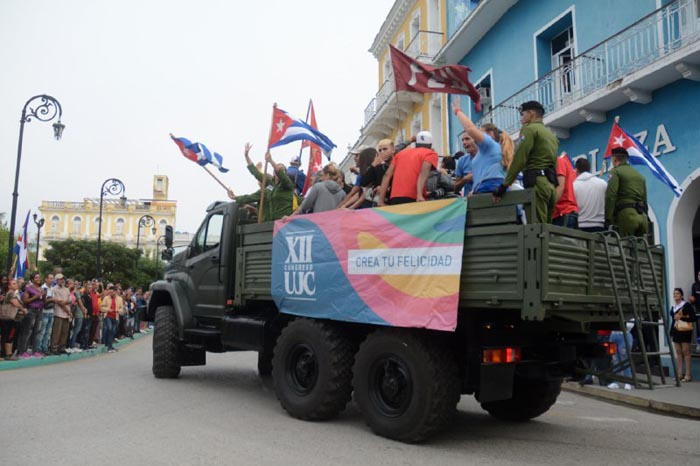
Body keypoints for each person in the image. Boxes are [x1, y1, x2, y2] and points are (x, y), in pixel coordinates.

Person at [493, 100, 559, 224]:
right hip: (550, 185)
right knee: (547, 228)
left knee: (536, 228)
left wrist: (504, 185)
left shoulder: (529, 129)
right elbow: (554, 163)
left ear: (531, 113)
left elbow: (520, 158)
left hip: (537, 183)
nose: (521, 119)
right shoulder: (550, 134)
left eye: (522, 115)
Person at [228, 143, 295, 222]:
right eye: (275, 169)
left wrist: (271, 161)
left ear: (285, 173)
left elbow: (283, 177)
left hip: (284, 222)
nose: (278, 171)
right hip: (272, 223)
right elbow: (256, 173)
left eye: (281, 169)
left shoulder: (287, 185)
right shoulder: (270, 185)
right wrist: (246, 156)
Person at [452, 98, 506, 195]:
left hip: (490, 188)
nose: (478, 135)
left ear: (489, 134)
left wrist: (458, 111)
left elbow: (470, 128)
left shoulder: (490, 145)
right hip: (482, 189)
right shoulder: (483, 153)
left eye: (480, 132)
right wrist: (474, 190)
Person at [377, 131, 439, 206]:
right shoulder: (430, 153)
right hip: (413, 196)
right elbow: (423, 173)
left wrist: (381, 201)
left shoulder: (401, 153)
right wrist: (419, 195)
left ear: (416, 144)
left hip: (395, 197)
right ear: (430, 145)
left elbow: (387, 175)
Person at [605, 147, 648, 237]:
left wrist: (608, 218)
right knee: (641, 249)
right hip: (642, 218)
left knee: (625, 248)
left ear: (614, 159)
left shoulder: (615, 172)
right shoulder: (640, 176)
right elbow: (645, 200)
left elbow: (611, 195)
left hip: (627, 217)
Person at [573, 158, 607, 232]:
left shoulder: (573, 186)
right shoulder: (602, 183)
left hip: (581, 225)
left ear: (577, 170)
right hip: (600, 226)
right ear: (589, 169)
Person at [670, 288, 695, 382]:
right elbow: (673, 320)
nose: (675, 295)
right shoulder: (673, 306)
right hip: (676, 330)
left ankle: (688, 375)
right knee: (678, 352)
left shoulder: (686, 305)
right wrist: (671, 331)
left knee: (686, 351)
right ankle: (680, 373)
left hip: (685, 330)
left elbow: (693, 318)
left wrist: (681, 318)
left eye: (677, 293)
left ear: (681, 295)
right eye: (674, 293)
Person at [18, 272, 44, 358]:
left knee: (37, 332)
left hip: (40, 311)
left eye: (39, 277)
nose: (38, 279)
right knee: (28, 331)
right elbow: (25, 301)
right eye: (36, 278)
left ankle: (35, 351)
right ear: (32, 279)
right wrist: (35, 297)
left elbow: (43, 300)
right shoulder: (29, 289)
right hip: (31, 311)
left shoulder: (41, 289)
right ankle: (22, 351)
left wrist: (43, 296)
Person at [1, 278, 26, 361]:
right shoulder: (11, 293)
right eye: (13, 284)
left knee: (8, 336)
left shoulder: (11, 293)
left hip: (8, 319)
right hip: (9, 318)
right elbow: (15, 303)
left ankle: (7, 354)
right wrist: (23, 309)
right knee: (8, 336)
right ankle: (8, 354)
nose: (16, 285)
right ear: (9, 286)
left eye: (16, 283)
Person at [552, 153, 579, 228]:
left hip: (562, 213)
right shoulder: (564, 164)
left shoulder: (558, 162)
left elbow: (560, 187)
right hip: (568, 213)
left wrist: (548, 207)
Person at [49, 273, 73, 355]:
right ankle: (54, 348)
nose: (62, 280)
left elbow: (70, 300)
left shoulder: (66, 289)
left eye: (63, 279)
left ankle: (62, 347)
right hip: (58, 313)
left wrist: (65, 303)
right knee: (57, 332)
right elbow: (59, 302)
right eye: (60, 279)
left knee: (64, 332)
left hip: (66, 314)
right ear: (56, 280)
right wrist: (68, 311)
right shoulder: (54, 289)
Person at [101, 283, 123, 353]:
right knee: (110, 329)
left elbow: (121, 309)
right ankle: (109, 346)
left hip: (115, 317)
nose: (111, 292)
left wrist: (118, 310)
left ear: (116, 292)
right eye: (110, 291)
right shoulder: (106, 298)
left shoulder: (120, 299)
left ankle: (109, 346)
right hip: (108, 316)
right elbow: (101, 307)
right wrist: (108, 309)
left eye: (113, 291)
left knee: (113, 332)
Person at [35, 273, 54, 354]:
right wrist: (51, 299)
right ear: (46, 279)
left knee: (48, 332)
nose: (52, 280)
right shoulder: (43, 288)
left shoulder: (52, 289)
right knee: (42, 331)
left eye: (52, 278)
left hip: (51, 312)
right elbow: (43, 301)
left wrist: (52, 299)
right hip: (44, 312)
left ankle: (45, 348)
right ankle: (39, 348)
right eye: (50, 278)